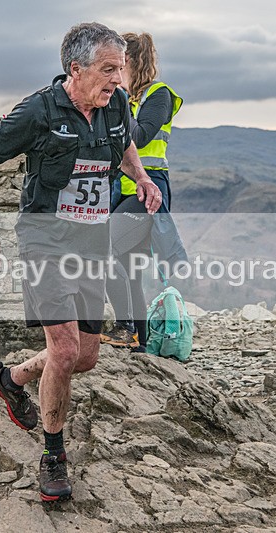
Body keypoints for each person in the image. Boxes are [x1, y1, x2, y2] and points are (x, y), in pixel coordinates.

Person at [0, 22, 162, 502]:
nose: (119, 80)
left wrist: (140, 177)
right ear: (75, 69)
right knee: (67, 350)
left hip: (92, 243)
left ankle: (9, 379)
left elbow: (123, 143)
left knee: (87, 357)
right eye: (108, 70)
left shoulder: (113, 103)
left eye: (122, 69)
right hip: (44, 242)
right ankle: (53, 457)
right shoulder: (37, 111)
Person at [101, 31, 186, 353]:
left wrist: (118, 102)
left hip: (146, 192)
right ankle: (140, 341)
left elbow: (140, 136)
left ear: (135, 62)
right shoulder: (128, 99)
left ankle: (125, 327)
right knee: (130, 269)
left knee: (103, 250)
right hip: (119, 191)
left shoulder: (159, 95)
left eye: (119, 66)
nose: (114, 74)